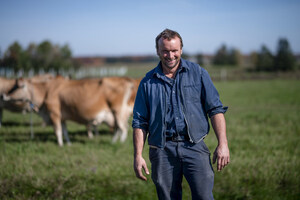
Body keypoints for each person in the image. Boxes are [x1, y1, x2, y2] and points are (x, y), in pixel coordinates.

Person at [132, 28, 230, 200]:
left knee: (204, 197)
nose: (170, 55)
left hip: (194, 146)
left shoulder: (198, 73)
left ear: (181, 50)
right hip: (162, 151)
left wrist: (223, 144)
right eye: (165, 51)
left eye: (174, 51)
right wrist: (138, 156)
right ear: (158, 51)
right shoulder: (147, 82)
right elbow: (140, 122)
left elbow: (215, 109)